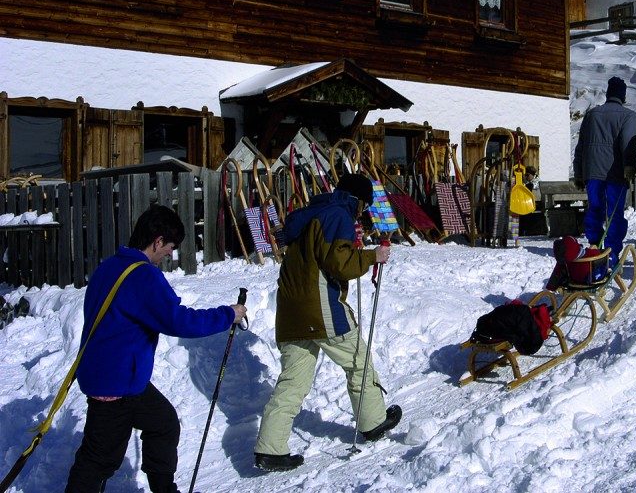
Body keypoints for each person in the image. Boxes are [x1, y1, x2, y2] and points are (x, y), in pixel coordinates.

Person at [66, 205, 246, 493]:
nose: (169, 255)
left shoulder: (109, 266)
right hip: (117, 383)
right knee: (99, 460)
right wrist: (228, 314)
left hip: (113, 375)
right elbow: (178, 321)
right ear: (158, 240)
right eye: (170, 247)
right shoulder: (143, 276)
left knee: (163, 423)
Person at [254, 173, 400, 472]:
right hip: (319, 307)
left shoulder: (313, 213)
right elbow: (340, 264)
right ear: (358, 200)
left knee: (293, 381)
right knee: (357, 360)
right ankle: (372, 422)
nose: (362, 212)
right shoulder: (337, 215)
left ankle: (270, 449)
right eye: (364, 206)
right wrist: (374, 256)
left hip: (291, 311)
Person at [573, 76, 636, 269]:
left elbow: (581, 147)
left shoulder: (592, 115)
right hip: (616, 174)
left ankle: (594, 247)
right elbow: (629, 143)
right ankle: (611, 253)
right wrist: (629, 167)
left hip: (592, 172)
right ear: (623, 96)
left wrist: (578, 172)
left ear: (608, 94)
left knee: (595, 208)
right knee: (615, 213)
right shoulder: (628, 116)